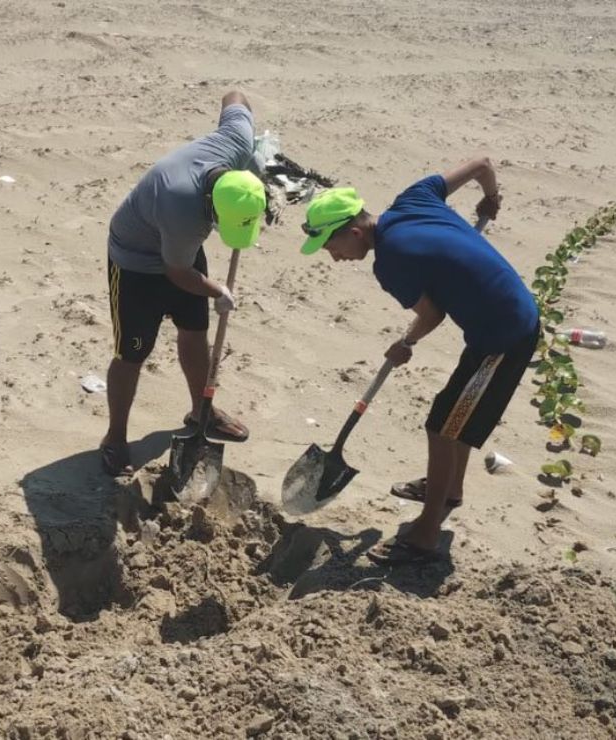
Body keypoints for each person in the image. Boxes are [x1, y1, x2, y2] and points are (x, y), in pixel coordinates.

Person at [298, 157, 538, 565]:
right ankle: (450, 491)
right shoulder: (413, 198)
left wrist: (405, 343)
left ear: (355, 232)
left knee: (442, 426)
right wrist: (491, 199)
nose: (333, 257)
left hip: (504, 335)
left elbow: (432, 315)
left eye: (331, 247)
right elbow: (481, 165)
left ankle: (426, 536)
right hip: (496, 319)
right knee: (453, 417)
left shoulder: (391, 262)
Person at [100, 91, 266, 475]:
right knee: (132, 352)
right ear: (212, 209)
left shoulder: (235, 144)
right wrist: (217, 291)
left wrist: (255, 150)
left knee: (195, 333)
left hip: (183, 256)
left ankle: (201, 412)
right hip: (137, 263)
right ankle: (115, 438)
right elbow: (178, 274)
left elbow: (234, 96)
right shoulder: (183, 211)